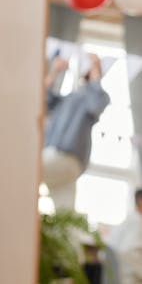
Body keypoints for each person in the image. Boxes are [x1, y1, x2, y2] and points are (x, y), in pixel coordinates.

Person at [43, 53, 110, 210]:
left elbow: (96, 103)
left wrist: (95, 72)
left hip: (66, 157)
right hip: (60, 159)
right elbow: (41, 99)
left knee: (28, 170)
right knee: (65, 214)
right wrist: (54, 71)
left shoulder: (96, 97)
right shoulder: (70, 98)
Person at [106, 189, 142, 284]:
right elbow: (129, 250)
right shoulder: (137, 221)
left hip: (113, 254)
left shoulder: (133, 217)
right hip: (115, 256)